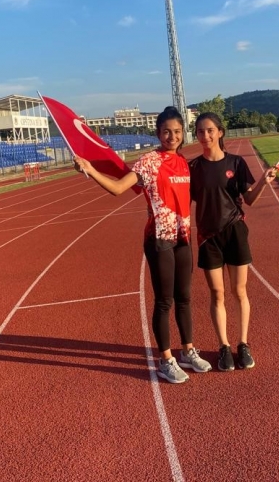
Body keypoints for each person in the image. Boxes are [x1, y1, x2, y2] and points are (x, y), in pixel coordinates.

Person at [74, 107, 211, 384]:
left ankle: (187, 350)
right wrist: (90, 170)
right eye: (166, 132)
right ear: (158, 133)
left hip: (182, 237)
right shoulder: (149, 162)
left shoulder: (184, 162)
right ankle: (165, 359)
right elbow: (118, 188)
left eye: (176, 131)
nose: (172, 136)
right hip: (159, 238)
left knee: (184, 297)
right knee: (164, 301)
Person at [189, 112, 276, 371]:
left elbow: (249, 200)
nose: (204, 136)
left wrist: (263, 181)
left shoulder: (236, 163)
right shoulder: (193, 168)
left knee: (239, 292)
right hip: (208, 237)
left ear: (220, 132)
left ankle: (243, 343)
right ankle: (224, 346)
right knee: (217, 294)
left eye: (209, 130)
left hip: (235, 232)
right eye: (200, 131)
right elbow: (182, 198)